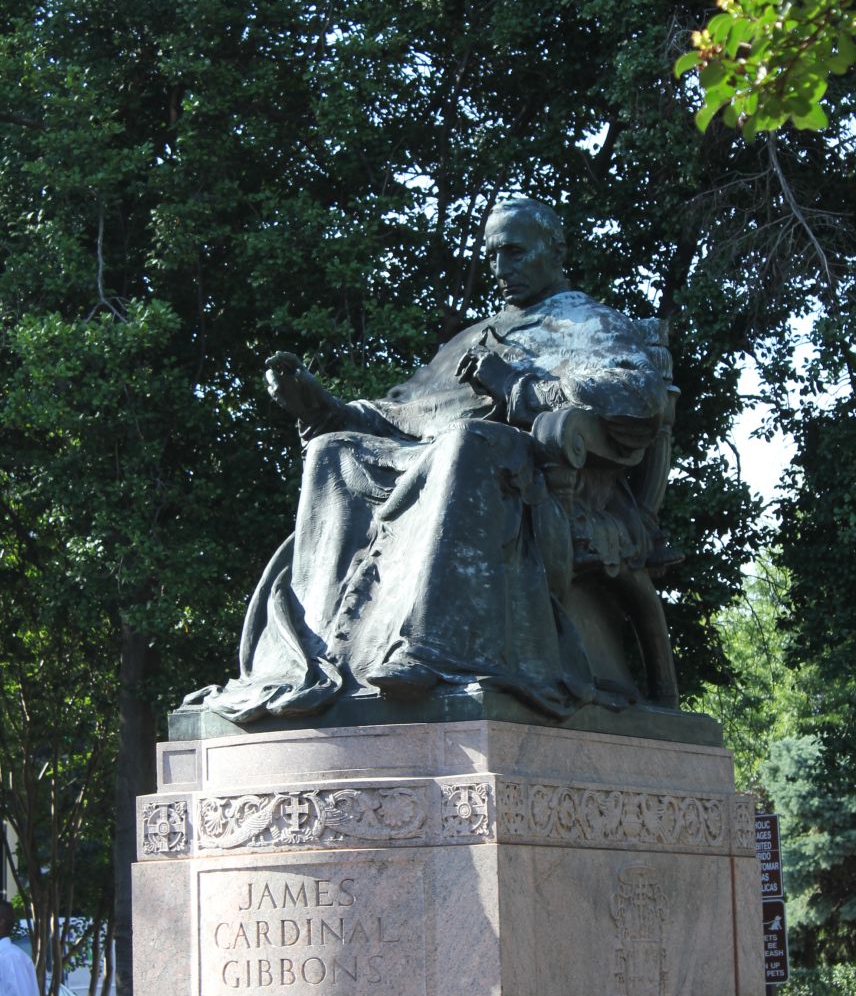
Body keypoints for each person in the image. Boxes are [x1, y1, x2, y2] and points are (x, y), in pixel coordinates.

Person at [185, 196, 675, 724]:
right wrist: (324, 408)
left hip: (532, 474)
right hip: (436, 460)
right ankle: (313, 655)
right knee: (331, 452)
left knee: (464, 442)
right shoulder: (471, 338)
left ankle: (434, 648)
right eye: (492, 255)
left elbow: (639, 396)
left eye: (514, 252)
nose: (500, 268)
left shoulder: (592, 323)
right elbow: (406, 412)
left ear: (554, 251)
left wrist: (517, 386)